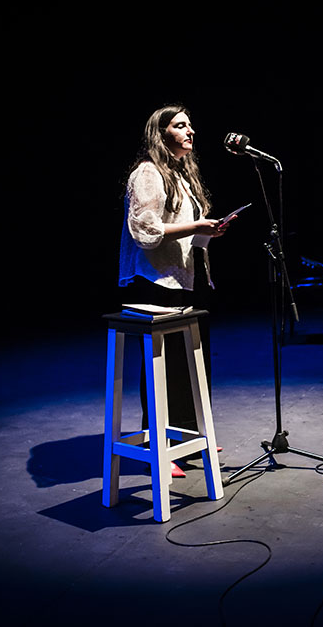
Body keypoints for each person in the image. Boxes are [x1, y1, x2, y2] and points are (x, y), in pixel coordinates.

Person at [119, 104, 230, 477]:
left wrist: (207, 230)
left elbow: (184, 230)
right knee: (161, 366)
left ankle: (188, 435)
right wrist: (196, 226)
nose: (190, 131)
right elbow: (145, 230)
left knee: (191, 361)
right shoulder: (148, 173)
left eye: (190, 125)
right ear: (161, 132)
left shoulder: (181, 175)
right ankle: (159, 446)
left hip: (188, 277)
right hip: (157, 281)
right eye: (180, 125)